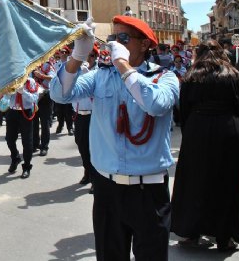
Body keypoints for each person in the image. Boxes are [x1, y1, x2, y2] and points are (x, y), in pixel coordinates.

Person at [50, 15, 179, 260]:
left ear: (144, 44)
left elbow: (155, 104)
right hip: (107, 189)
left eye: (123, 38)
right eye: (113, 37)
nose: (115, 43)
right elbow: (60, 94)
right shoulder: (101, 75)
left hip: (148, 190)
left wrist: (122, 65)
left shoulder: (164, 77)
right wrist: (77, 57)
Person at [171, 40, 239, 252]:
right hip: (227, 128)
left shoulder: (192, 75)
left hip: (198, 129)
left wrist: (190, 131)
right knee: (226, 181)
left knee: (195, 181)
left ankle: (192, 232)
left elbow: (184, 108)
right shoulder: (232, 74)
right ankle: (225, 236)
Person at [4, 77, 38, 179]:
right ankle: (15, 158)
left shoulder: (30, 81)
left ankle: (27, 167)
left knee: (27, 141)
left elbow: (34, 98)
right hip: (12, 111)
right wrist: (9, 91)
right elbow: (5, 96)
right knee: (9, 139)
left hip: (25, 112)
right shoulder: (11, 80)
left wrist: (23, 92)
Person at [73, 48, 98, 190]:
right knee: (81, 144)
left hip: (94, 114)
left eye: (91, 56)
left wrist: (87, 74)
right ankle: (87, 171)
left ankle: (95, 178)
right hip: (79, 113)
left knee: (93, 147)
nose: (88, 59)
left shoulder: (99, 72)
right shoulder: (78, 69)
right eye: (86, 55)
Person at [32, 59, 56, 156]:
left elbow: (53, 77)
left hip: (45, 96)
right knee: (34, 123)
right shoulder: (30, 65)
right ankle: (35, 144)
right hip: (33, 96)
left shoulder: (47, 65)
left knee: (45, 123)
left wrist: (41, 76)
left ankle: (44, 146)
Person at [53, 47, 74, 136]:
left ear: (68, 53)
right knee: (59, 111)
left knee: (68, 111)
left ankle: (70, 127)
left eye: (66, 52)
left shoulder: (71, 64)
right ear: (59, 53)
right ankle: (60, 125)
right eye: (62, 52)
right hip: (59, 90)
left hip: (68, 89)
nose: (64, 53)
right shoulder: (55, 65)